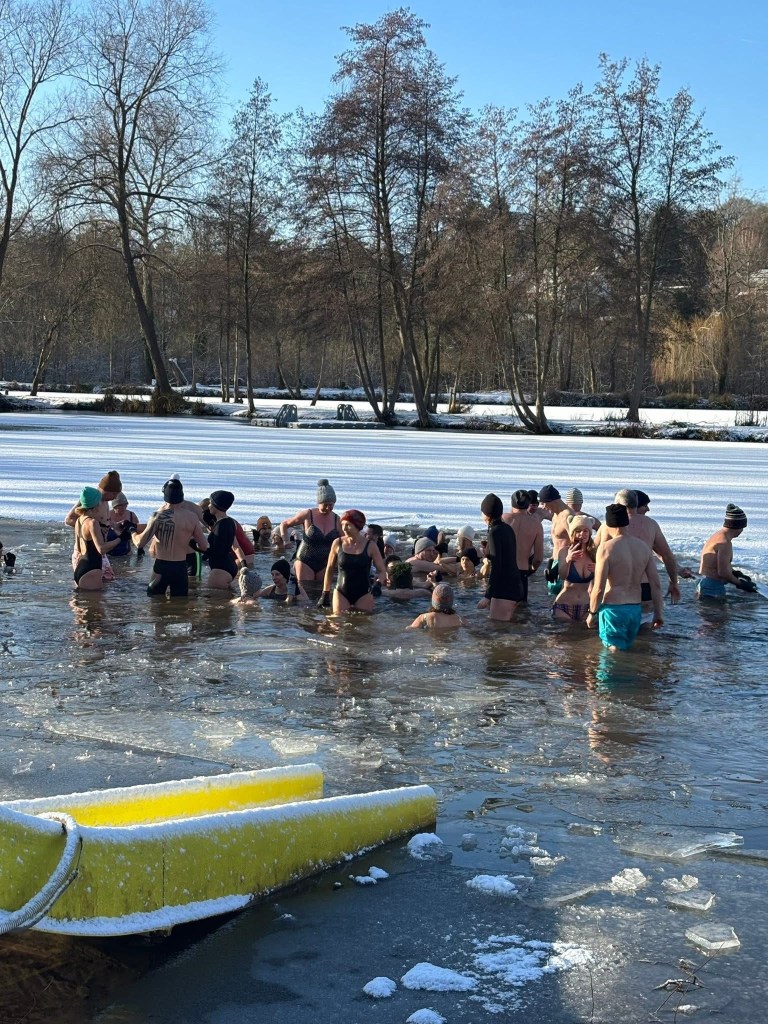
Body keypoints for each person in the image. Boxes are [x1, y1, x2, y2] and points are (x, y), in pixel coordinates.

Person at [587, 503, 663, 650]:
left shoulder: (606, 548)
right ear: (626, 523)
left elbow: (599, 588)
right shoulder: (643, 547)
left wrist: (592, 613)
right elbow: (656, 584)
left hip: (613, 610)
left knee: (612, 653)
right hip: (635, 609)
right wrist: (658, 614)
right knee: (627, 650)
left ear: (609, 525)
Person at [597, 489, 681, 603]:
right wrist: (674, 583)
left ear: (618, 504)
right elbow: (667, 556)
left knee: (614, 614)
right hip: (646, 586)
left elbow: (593, 552)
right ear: (636, 503)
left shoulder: (608, 526)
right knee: (647, 614)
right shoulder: (651, 525)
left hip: (616, 588)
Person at [132, 478, 209, 597]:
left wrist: (132, 532)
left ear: (165, 495)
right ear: (182, 495)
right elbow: (204, 546)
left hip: (161, 568)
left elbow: (140, 544)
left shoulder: (157, 516)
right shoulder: (192, 517)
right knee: (180, 604)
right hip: (180, 568)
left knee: (154, 602)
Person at [320, 509, 388, 613]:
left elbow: (382, 571)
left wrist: (378, 585)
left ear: (357, 525)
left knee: (363, 622)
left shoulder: (370, 546)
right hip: (341, 592)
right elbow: (329, 569)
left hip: (364, 593)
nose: (344, 528)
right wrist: (325, 593)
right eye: (342, 524)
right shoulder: (337, 543)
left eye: (348, 525)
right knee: (336, 621)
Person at [280, 479, 340, 582]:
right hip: (305, 560)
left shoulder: (336, 519)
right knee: (305, 587)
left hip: (325, 562)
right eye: (326, 504)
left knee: (321, 589)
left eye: (331, 505)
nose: (328, 508)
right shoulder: (308, 514)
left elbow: (344, 540)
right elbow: (284, 524)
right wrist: (286, 540)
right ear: (319, 502)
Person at [697, 503, 756, 600]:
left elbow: (719, 564)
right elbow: (723, 572)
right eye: (742, 528)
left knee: (704, 608)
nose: (742, 531)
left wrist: (735, 573)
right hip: (712, 587)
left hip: (704, 582)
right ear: (737, 526)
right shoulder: (724, 543)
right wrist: (741, 584)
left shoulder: (717, 536)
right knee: (717, 610)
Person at [72, 486, 125, 590]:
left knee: (81, 599)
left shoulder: (80, 520)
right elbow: (101, 549)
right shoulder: (92, 522)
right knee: (96, 601)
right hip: (92, 569)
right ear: (96, 503)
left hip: (81, 567)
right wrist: (121, 538)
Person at [481, 492, 523, 621]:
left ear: (487, 514)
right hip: (515, 585)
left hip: (504, 589)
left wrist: (487, 596)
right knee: (507, 628)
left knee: (497, 628)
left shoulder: (494, 532)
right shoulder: (507, 529)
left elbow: (497, 566)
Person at [552, 515, 596, 622]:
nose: (582, 534)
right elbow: (562, 576)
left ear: (590, 533)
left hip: (586, 607)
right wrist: (568, 560)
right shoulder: (564, 551)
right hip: (564, 606)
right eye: (578, 531)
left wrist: (598, 570)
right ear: (572, 533)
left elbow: (601, 583)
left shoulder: (594, 553)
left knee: (587, 633)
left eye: (586, 530)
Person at [502, 490, 543, 601]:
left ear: (512, 503)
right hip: (522, 572)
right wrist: (532, 569)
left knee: (499, 608)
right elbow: (538, 559)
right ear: (528, 504)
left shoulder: (502, 519)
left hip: (503, 571)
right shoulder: (536, 524)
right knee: (521, 608)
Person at [205, 490, 247, 590]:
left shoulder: (220, 527)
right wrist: (244, 565)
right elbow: (236, 546)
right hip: (230, 566)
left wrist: (196, 547)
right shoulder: (230, 522)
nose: (208, 506)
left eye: (210, 503)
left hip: (220, 569)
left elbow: (216, 552)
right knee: (227, 598)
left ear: (216, 505)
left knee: (212, 598)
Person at [538, 485, 572, 596]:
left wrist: (558, 568)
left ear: (552, 501)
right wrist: (550, 563)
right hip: (555, 562)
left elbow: (577, 543)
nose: (543, 507)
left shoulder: (568, 516)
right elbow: (557, 543)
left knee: (562, 600)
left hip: (566, 565)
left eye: (544, 503)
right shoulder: (555, 516)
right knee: (552, 599)